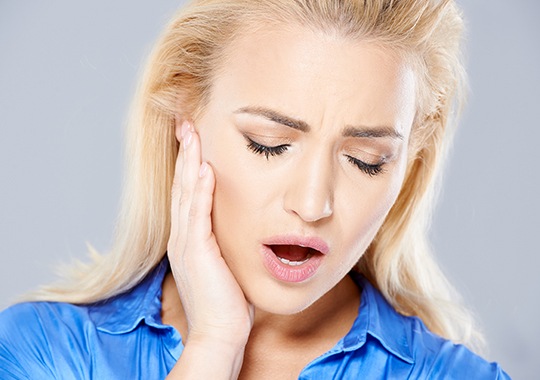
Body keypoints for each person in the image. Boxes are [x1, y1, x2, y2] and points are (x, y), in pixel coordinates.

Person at [0, 0, 510, 378]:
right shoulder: (45, 354)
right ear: (185, 119)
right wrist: (213, 346)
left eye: (366, 161)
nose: (312, 205)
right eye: (268, 144)